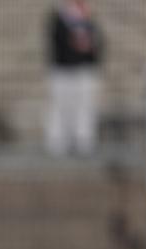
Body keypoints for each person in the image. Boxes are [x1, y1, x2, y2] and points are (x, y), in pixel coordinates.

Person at [45, 0, 104, 156]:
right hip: (63, 71)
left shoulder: (89, 22)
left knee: (85, 107)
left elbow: (98, 46)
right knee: (61, 107)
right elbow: (58, 45)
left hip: (83, 71)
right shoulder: (58, 20)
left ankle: (83, 141)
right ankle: (58, 142)